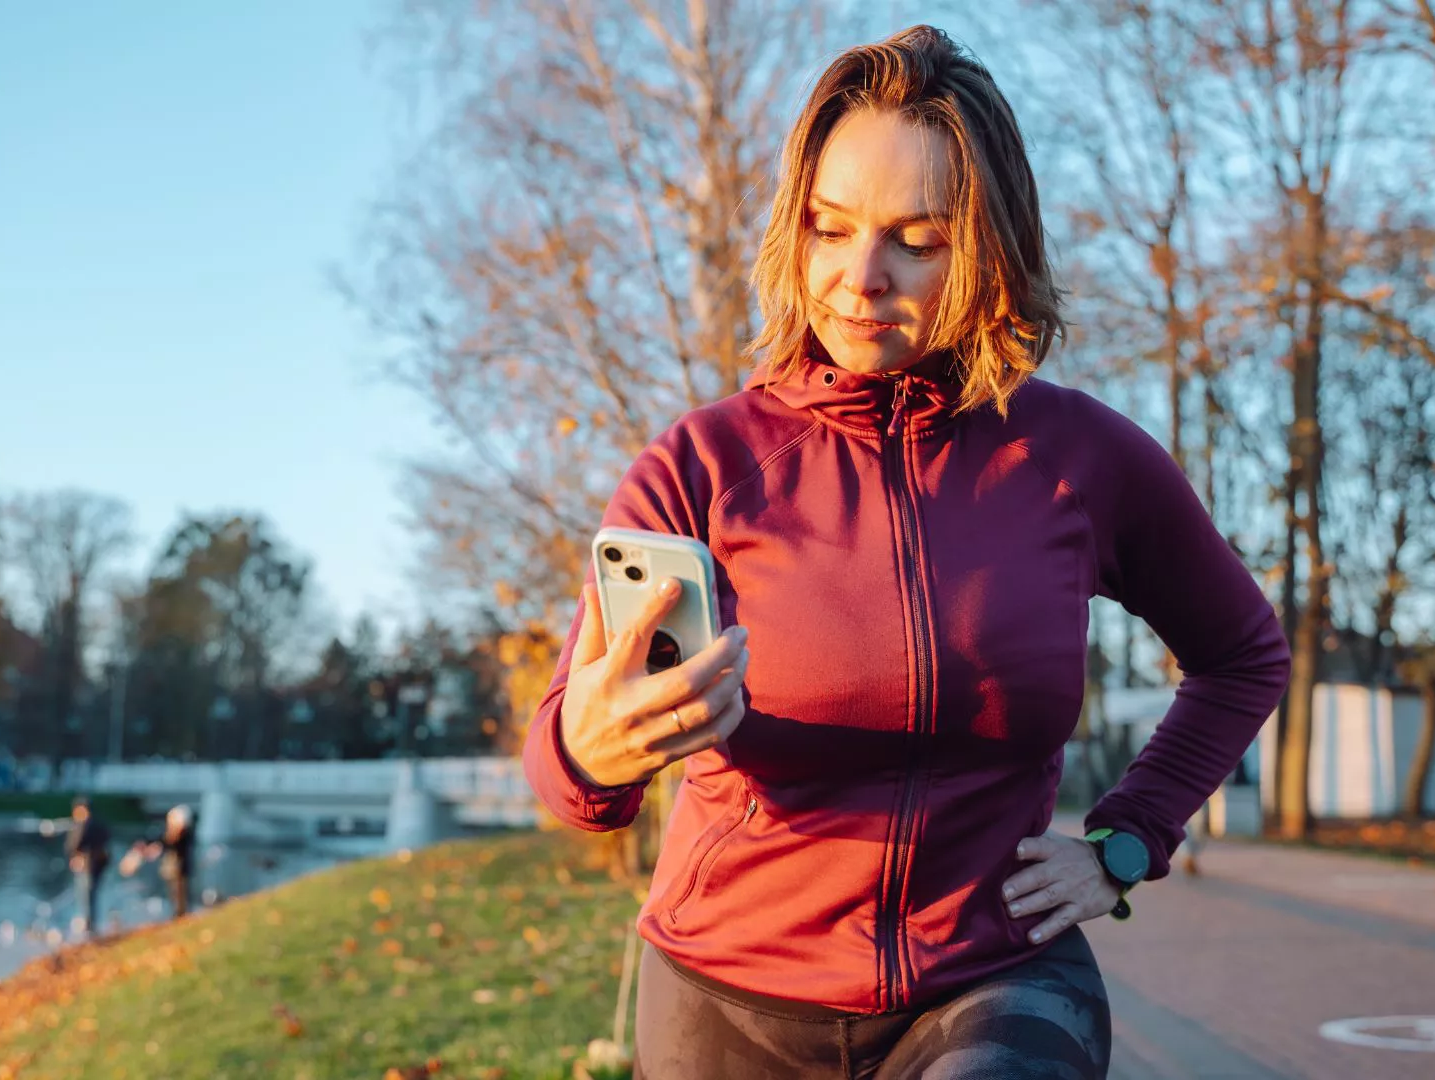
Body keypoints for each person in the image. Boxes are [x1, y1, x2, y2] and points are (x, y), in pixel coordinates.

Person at [520, 26, 1290, 1080]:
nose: (860, 277)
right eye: (829, 228)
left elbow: (1244, 655)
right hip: (725, 1000)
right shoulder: (700, 466)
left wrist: (1125, 841)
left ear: (988, 246)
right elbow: (570, 783)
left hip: (993, 979)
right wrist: (592, 749)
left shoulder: (1080, 459)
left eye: (917, 241)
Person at [64, 795, 111, 937]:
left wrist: (74, 855)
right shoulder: (99, 824)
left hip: (87, 866)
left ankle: (88, 928)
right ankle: (91, 926)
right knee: (90, 895)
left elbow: (73, 845)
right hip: (96, 866)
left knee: (86, 896)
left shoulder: (84, 824)